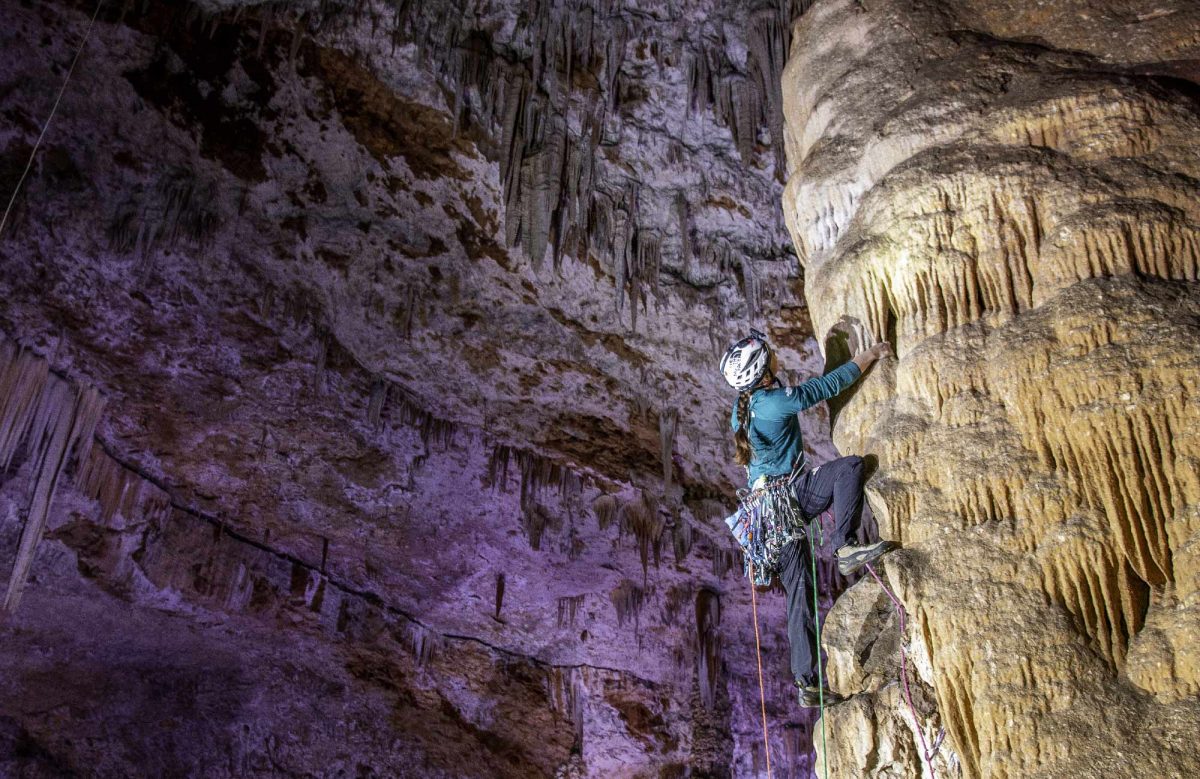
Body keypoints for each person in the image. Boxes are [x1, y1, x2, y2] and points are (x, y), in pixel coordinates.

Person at [720, 328, 897, 708]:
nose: (775, 355)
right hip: (788, 502)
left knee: (799, 597)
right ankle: (844, 545)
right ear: (763, 370)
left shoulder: (745, 409)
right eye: (769, 354)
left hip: (766, 524)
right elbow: (822, 389)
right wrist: (869, 356)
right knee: (849, 468)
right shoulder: (770, 403)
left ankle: (808, 682)